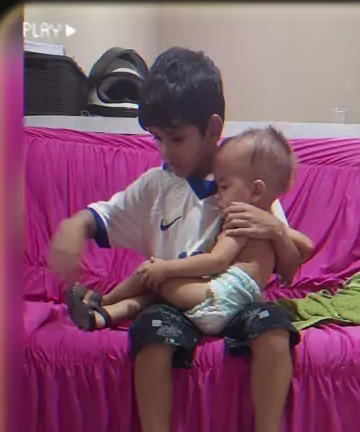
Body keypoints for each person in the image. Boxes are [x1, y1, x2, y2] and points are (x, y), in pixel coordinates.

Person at [49, 47, 314, 432]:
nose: (164, 150)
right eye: (156, 138)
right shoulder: (158, 185)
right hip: (175, 305)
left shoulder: (248, 178)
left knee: (275, 329)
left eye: (175, 138)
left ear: (213, 128)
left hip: (235, 299)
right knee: (150, 332)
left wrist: (275, 229)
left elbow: (288, 268)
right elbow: (104, 215)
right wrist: (73, 226)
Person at [66, 126, 297, 335]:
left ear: (256, 191)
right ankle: (101, 317)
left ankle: (102, 300)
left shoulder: (241, 221)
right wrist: (278, 230)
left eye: (224, 187)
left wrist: (165, 269)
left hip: (219, 301)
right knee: (154, 295)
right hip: (237, 304)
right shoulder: (267, 223)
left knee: (149, 273)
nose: (217, 196)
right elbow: (306, 245)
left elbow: (216, 261)